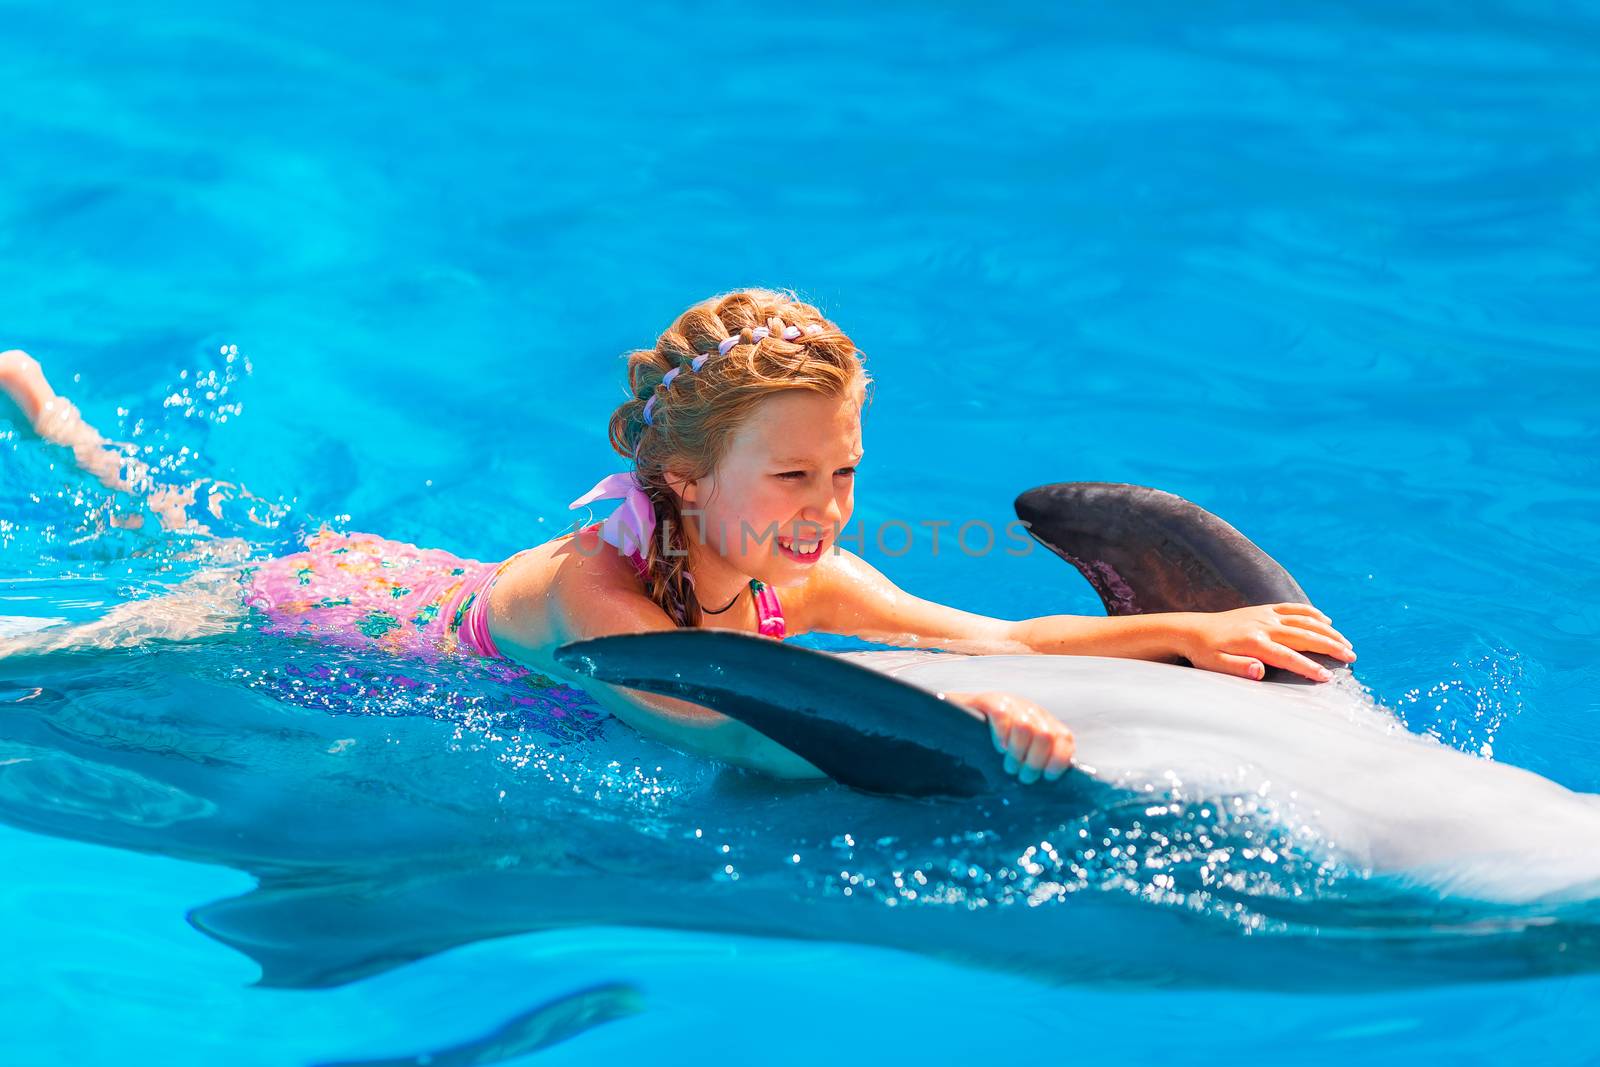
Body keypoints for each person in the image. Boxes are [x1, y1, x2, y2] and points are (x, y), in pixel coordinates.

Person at [0, 289, 1355, 786]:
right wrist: (959, 739)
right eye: (792, 475)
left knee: (168, 530)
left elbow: (985, 630)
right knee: (62, 647)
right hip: (315, 618)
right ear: (690, 477)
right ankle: (66, 443)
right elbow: (711, 726)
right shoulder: (595, 591)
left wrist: (1182, 626)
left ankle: (60, 439)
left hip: (390, 585)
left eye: (846, 470)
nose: (825, 508)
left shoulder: (797, 567)